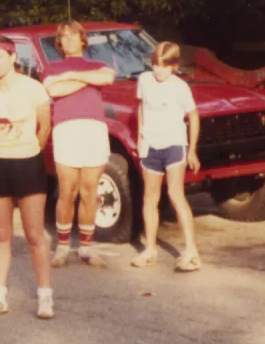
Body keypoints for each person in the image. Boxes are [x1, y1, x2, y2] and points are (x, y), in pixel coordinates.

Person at [0, 35, 54, 320]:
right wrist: (3, 147)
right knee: (1, 236)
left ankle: (45, 297)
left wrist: (29, 151)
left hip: (28, 164)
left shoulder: (34, 88)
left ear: (12, 56)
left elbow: (44, 127)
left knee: (34, 235)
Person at [43, 21, 115, 270]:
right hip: (66, 130)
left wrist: (73, 75)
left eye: (74, 36)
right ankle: (62, 247)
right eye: (64, 37)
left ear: (83, 40)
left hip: (94, 130)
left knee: (89, 191)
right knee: (67, 191)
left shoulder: (98, 64)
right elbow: (53, 90)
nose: (69, 40)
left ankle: (87, 248)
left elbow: (108, 77)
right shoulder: (52, 68)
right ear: (59, 43)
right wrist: (89, 81)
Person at [131, 41, 203, 272]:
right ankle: (150, 250)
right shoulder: (144, 80)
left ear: (174, 65)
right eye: (155, 64)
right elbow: (141, 107)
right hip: (151, 145)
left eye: (164, 65)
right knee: (150, 198)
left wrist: (191, 149)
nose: (158, 70)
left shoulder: (180, 87)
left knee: (174, 193)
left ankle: (191, 252)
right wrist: (141, 136)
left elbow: (193, 116)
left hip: (174, 145)